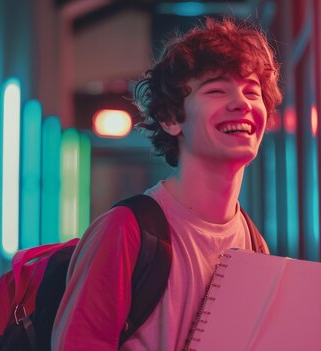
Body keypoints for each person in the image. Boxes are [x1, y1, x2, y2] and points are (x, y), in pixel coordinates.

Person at [51, 16, 283, 350]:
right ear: (171, 119)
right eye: (217, 89)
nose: (242, 104)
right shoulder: (126, 232)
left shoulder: (254, 243)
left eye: (253, 92)